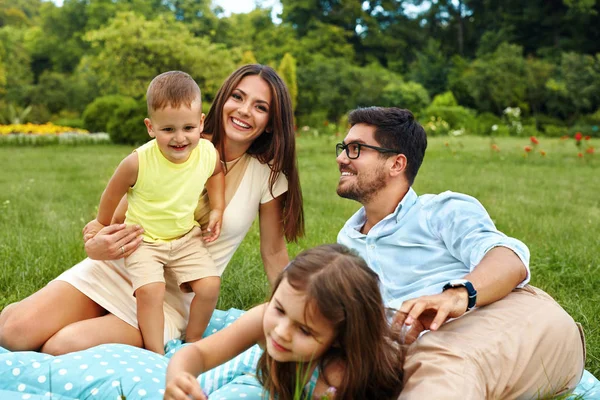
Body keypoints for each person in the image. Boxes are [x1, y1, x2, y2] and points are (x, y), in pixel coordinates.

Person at [0, 64, 304, 355]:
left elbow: (274, 252)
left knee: (61, 346)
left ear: (270, 122)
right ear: (224, 99)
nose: (244, 110)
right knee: (13, 332)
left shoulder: (267, 176)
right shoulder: (175, 140)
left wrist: (300, 310)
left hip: (169, 301)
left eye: (260, 106)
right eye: (238, 97)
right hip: (121, 268)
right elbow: (115, 217)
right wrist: (98, 243)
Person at [335, 106, 586, 399]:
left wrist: (455, 295)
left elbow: (508, 258)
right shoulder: (348, 240)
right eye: (343, 148)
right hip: (427, 353)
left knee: (439, 362)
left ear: (396, 164)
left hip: (507, 319)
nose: (341, 158)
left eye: (355, 149)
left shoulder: (441, 211)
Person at [164, 244, 405, 400]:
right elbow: (198, 354)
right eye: (279, 309)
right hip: (249, 367)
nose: (281, 332)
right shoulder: (264, 319)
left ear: (341, 339)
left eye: (304, 330)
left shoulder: (341, 378)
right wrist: (178, 378)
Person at [94, 71, 225, 354]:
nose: (180, 138)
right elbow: (112, 192)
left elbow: (216, 173)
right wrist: (101, 224)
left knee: (210, 285)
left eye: (188, 128)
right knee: (150, 291)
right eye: (168, 130)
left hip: (185, 237)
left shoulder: (206, 152)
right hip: (144, 239)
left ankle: (193, 342)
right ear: (150, 127)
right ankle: (154, 352)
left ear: (201, 123)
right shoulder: (137, 162)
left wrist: (217, 208)